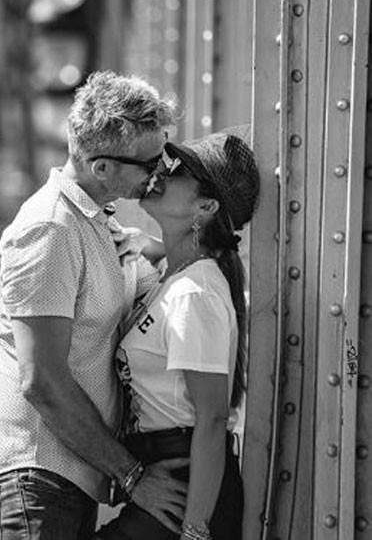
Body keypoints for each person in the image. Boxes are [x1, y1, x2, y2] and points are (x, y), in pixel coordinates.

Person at [0, 70, 188, 540]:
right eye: (150, 164)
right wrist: (133, 477)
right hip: (33, 480)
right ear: (102, 167)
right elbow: (42, 381)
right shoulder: (51, 230)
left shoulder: (92, 226)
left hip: (59, 485)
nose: (160, 172)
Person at [96, 128, 259, 540]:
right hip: (168, 477)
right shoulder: (177, 280)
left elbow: (212, 418)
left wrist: (195, 531)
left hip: (187, 490)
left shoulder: (194, 292)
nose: (160, 172)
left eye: (178, 169)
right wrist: (146, 245)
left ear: (204, 206)